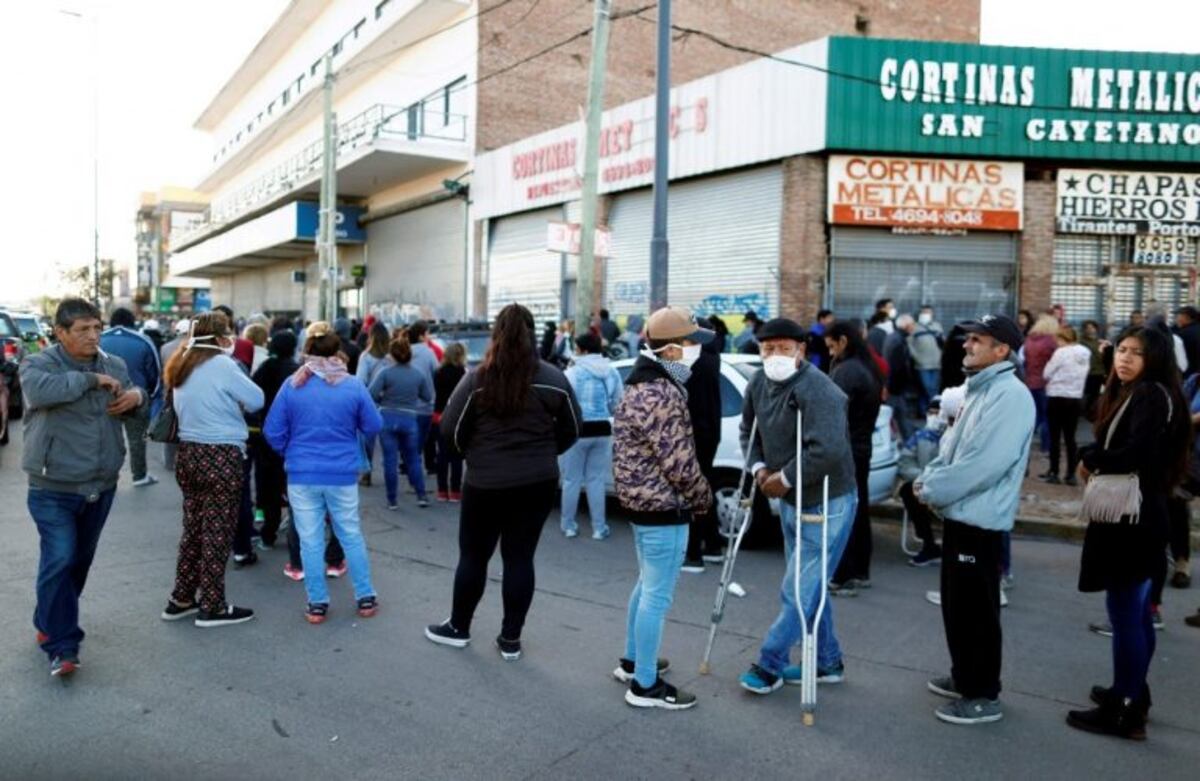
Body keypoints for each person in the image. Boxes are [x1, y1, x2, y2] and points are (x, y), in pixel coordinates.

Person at [425, 304, 581, 661]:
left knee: (474, 556)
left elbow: (449, 430)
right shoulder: (552, 377)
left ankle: (459, 628)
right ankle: (510, 639)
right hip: (537, 481)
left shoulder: (477, 379)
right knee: (520, 558)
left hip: (486, 482)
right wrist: (544, 453)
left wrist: (473, 456)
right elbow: (573, 427)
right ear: (532, 333)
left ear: (497, 334)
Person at [1067, 326, 1190, 740]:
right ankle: (1132, 694)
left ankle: (1123, 711)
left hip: (1131, 520)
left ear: (1155, 358)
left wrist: (1090, 458)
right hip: (1146, 514)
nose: (1124, 359)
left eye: (1136, 353)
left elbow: (1137, 453)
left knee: (1126, 617)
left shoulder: (1150, 395)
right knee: (1136, 615)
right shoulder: (1153, 393)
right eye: (1121, 350)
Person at [913, 314, 1034, 725]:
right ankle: (965, 675)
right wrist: (930, 478)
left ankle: (982, 693)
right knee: (959, 605)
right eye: (968, 339)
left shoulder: (1010, 396)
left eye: (977, 340)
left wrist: (932, 489)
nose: (967, 345)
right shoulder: (982, 390)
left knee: (976, 612)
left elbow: (984, 463)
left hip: (980, 521)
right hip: (963, 515)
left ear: (1002, 350)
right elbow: (952, 449)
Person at [20, 298, 148, 676]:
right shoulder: (38, 363)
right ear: (60, 333)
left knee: (77, 562)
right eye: (83, 330)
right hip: (52, 486)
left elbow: (140, 406)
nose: (93, 336)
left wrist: (135, 397)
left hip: (101, 483)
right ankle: (64, 646)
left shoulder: (115, 364)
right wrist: (91, 380)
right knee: (60, 557)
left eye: (97, 328)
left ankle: (48, 618)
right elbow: (41, 392)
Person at [736, 317, 858, 697]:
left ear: (801, 351)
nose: (774, 355)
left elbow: (827, 449)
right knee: (809, 586)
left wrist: (783, 479)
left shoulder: (819, 389)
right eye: (767, 348)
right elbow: (747, 430)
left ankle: (769, 662)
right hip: (788, 497)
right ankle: (827, 661)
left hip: (826, 498)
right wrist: (758, 469)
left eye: (784, 348)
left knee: (798, 589)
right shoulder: (758, 381)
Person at [611, 307, 713, 710]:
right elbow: (680, 464)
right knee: (657, 595)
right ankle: (645, 686)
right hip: (662, 506)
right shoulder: (663, 393)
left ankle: (635, 661)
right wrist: (703, 498)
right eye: (690, 343)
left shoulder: (640, 385)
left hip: (641, 503)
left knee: (646, 585)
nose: (696, 351)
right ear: (671, 351)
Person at [264, 322, 383, 624]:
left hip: (302, 472)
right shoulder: (352, 385)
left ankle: (317, 603)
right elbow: (373, 425)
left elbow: (272, 430)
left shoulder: (293, 385)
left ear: (307, 352)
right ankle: (365, 597)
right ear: (337, 351)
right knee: (351, 534)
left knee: (310, 540)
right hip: (342, 471)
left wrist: (290, 451)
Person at [161, 312, 264, 628]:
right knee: (218, 532)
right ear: (220, 337)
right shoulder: (221, 364)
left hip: (189, 453)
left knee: (193, 529)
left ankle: (181, 599)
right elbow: (256, 399)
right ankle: (213, 606)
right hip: (221, 454)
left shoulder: (182, 361)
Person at [826, 320, 884, 595]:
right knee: (858, 511)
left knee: (842, 513)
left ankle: (843, 575)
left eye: (831, 346)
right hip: (862, 447)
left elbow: (831, 413)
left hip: (846, 449)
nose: (829, 353)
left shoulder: (847, 371)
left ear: (843, 342)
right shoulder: (868, 367)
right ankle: (860, 570)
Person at [559, 332, 622, 540]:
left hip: (578, 430)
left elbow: (564, 402)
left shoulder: (573, 373)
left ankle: (568, 525)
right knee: (596, 480)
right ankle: (599, 528)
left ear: (583, 350)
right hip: (603, 430)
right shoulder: (611, 372)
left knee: (571, 480)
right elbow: (617, 403)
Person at [898, 387, 964, 567]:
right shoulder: (920, 436)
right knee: (907, 490)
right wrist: (922, 478)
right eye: (930, 412)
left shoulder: (956, 437)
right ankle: (929, 546)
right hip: (924, 485)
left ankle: (958, 550)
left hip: (949, 487)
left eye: (937, 412)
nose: (933, 416)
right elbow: (905, 462)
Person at [369, 333, 435, 509]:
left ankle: (392, 500)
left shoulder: (386, 373)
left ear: (392, 354)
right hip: (409, 418)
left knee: (390, 460)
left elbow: (371, 394)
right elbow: (427, 397)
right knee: (413, 458)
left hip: (387, 417)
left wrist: (384, 398)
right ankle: (421, 496)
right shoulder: (417, 374)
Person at [99, 307, 161, 488]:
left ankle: (106, 477)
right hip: (136, 397)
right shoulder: (143, 340)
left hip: (105, 397)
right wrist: (149, 396)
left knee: (106, 440)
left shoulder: (99, 339)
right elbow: (155, 374)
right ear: (132, 321)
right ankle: (139, 476)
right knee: (137, 440)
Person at [681, 320, 725, 570]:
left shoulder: (696, 363)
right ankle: (714, 545)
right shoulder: (712, 357)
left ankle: (693, 554)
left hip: (696, 433)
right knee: (704, 487)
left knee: (692, 493)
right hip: (710, 431)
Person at [251, 330, 298, 551]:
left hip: (268, 433)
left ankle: (269, 533)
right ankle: (297, 533)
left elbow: (252, 395)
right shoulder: (298, 370)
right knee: (294, 485)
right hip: (294, 434)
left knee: (269, 484)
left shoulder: (266, 368)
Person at [1041, 325, 1091, 486]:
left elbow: (1046, 373)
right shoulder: (1085, 352)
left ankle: (1054, 472)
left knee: (1055, 437)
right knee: (1070, 438)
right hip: (1075, 398)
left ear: (1062, 339)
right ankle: (1071, 474)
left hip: (1057, 396)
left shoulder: (1061, 353)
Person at [355, 322, 393, 485]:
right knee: (389, 442)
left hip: (370, 402)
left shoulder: (366, 357)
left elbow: (360, 380)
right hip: (389, 402)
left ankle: (366, 472)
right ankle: (390, 473)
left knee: (367, 440)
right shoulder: (391, 357)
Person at [433, 343, 467, 502]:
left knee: (442, 454)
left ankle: (441, 490)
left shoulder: (438, 373)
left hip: (439, 415)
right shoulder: (462, 374)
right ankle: (455, 491)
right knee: (456, 455)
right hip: (456, 416)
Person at [407, 320, 441, 473]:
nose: (429, 337)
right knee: (421, 438)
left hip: (405, 403)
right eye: (427, 334)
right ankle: (414, 466)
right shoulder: (428, 352)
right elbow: (437, 373)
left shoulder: (405, 350)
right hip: (425, 404)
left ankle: (409, 461)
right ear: (421, 336)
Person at [1023, 313, 1059, 453]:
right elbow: (1056, 361)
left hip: (1030, 381)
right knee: (1047, 417)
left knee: (1035, 416)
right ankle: (1046, 446)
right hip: (1046, 383)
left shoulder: (1029, 340)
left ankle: (1023, 443)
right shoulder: (1050, 341)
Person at [884, 314, 919, 440]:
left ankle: (907, 441)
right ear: (906, 326)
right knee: (897, 416)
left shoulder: (896, 338)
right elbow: (895, 367)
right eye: (912, 324)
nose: (914, 327)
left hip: (895, 386)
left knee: (898, 416)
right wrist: (889, 386)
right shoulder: (898, 341)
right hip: (895, 388)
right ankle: (908, 442)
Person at [910, 305, 944, 414]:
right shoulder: (914, 327)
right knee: (927, 388)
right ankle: (929, 410)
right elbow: (909, 344)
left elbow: (943, 342)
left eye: (928, 313)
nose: (926, 315)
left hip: (936, 363)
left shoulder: (937, 326)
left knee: (933, 389)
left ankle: (927, 411)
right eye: (924, 313)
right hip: (922, 364)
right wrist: (917, 358)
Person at [1079, 320, 1107, 419]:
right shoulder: (1081, 341)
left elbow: (1102, 356)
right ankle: (1085, 411)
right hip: (1088, 371)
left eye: (1092, 327)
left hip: (1098, 371)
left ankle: (1090, 411)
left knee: (1094, 393)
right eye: (1087, 328)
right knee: (1087, 393)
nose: (1090, 330)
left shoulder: (1098, 341)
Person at [1174, 305, 1200, 378]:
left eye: (1178, 316)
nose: (1176, 319)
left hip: (1188, 376)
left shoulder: (1182, 334)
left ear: (1186, 317)